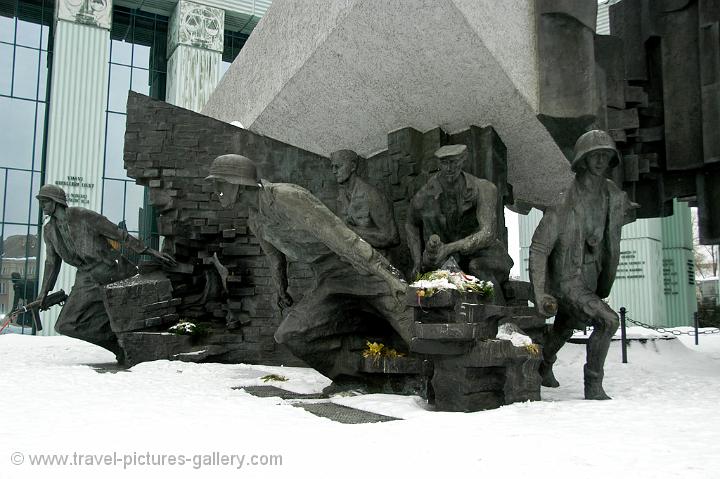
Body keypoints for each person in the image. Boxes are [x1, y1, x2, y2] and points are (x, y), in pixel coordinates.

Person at [206, 154, 411, 381]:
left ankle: (439, 382)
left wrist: (387, 275)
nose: (217, 191)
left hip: (357, 268)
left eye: (220, 183)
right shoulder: (255, 219)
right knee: (290, 333)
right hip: (328, 278)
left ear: (238, 184)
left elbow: (342, 237)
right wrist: (281, 290)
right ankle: (355, 380)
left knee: (413, 328)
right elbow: (275, 259)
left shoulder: (287, 197)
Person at [529, 129, 638, 400]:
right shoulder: (565, 200)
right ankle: (593, 384)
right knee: (609, 321)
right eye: (594, 155)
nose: (600, 161)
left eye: (605, 155)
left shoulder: (612, 195)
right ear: (582, 159)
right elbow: (540, 247)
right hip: (567, 281)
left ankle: (543, 362)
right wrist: (539, 291)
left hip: (592, 279)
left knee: (564, 328)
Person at [36, 184, 174, 362]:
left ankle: (129, 344)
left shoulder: (83, 216)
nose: (42, 205)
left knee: (125, 315)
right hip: (85, 277)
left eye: (44, 201)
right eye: (40, 201)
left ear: (56, 201)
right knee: (66, 324)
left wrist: (148, 251)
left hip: (112, 271)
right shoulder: (49, 231)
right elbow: (51, 263)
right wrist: (43, 293)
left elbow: (118, 234)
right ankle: (117, 344)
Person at [405, 144, 513, 302]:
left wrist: (448, 248)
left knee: (477, 267)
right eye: (445, 163)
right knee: (437, 284)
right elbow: (410, 223)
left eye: (454, 162)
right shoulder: (425, 194)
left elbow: (488, 234)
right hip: (452, 260)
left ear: (463, 160)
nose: (449, 168)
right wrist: (417, 260)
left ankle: (499, 317)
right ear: (438, 164)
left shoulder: (483, 188)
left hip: (486, 255)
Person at [329, 149, 400, 254]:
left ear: (353, 166)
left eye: (338, 166)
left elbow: (391, 237)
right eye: (332, 167)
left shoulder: (372, 195)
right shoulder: (341, 198)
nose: (334, 171)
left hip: (377, 264)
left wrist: (352, 230)